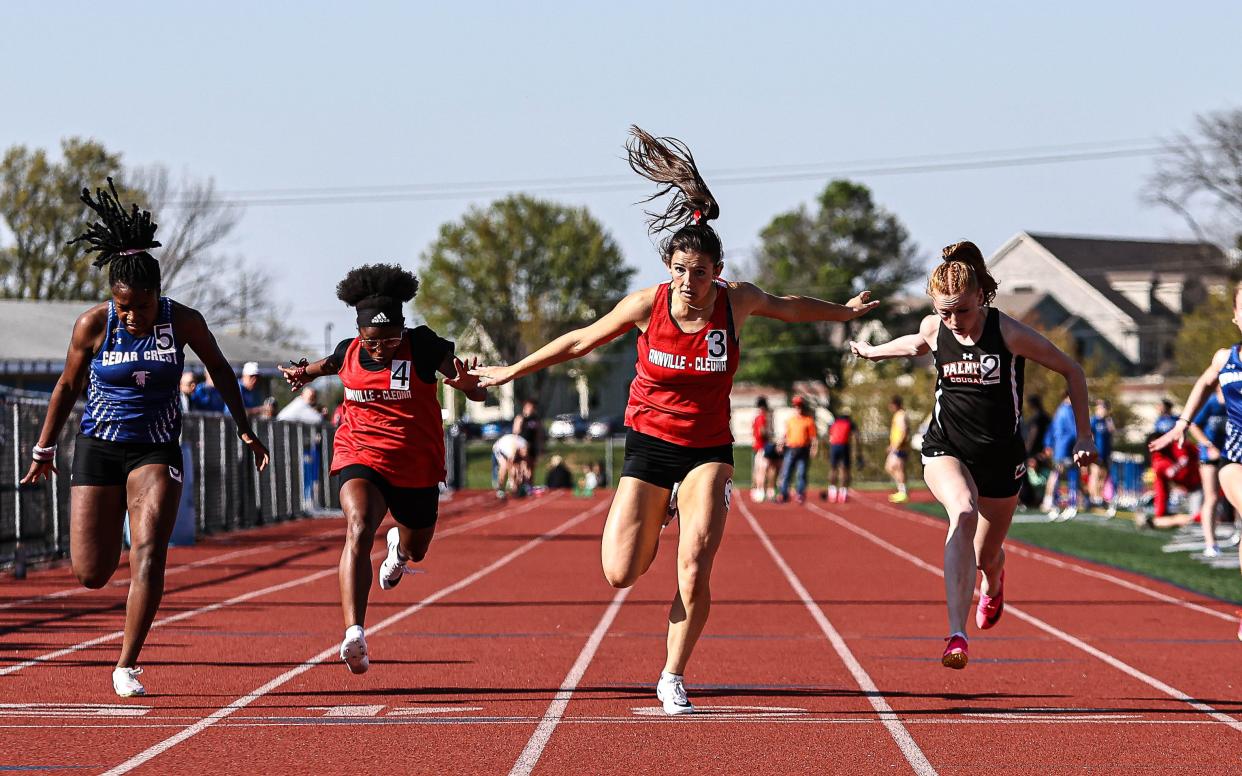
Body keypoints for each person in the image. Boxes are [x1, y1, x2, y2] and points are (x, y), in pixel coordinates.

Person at [473, 126, 878, 714]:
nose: (690, 282)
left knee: (695, 563)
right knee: (619, 573)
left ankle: (671, 673)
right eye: (681, 270)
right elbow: (582, 340)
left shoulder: (736, 301)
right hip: (648, 446)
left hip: (708, 450)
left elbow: (792, 309)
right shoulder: (647, 305)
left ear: (718, 271)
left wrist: (844, 311)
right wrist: (511, 371)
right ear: (670, 267)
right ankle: (659, 510)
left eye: (701, 271)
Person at [20, 179, 270, 697]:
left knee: (150, 549)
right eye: (124, 306)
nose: (133, 316)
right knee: (91, 573)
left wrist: (244, 428)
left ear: (159, 294)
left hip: (156, 447)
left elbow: (222, 371)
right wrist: (44, 447)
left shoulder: (183, 321)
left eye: (142, 305)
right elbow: (67, 386)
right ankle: (109, 534)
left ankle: (126, 663)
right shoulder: (94, 324)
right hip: (98, 444)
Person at [850, 240, 1095, 669]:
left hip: (1002, 458)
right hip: (947, 447)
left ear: (980, 296)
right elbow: (915, 343)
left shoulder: (1009, 333)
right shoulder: (936, 327)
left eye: (962, 310)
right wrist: (872, 351)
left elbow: (1072, 371)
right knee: (961, 511)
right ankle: (955, 633)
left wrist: (1084, 437)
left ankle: (994, 581)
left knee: (986, 555)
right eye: (944, 312)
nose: (954, 321)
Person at [279, 263, 484, 675]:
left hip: (416, 464)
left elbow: (470, 383)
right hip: (360, 453)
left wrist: (467, 387)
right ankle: (354, 631)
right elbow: (325, 366)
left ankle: (400, 552)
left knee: (419, 545)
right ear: (360, 335)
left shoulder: (423, 346)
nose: (381, 348)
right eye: (373, 340)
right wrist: (300, 373)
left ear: (403, 330)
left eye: (391, 339)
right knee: (357, 526)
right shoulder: (349, 351)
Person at [1150, 284, 1242, 640]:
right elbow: (1204, 383)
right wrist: (1182, 425)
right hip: (1235, 457)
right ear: (1235, 316)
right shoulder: (1225, 357)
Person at [1189, 388, 1229, 556]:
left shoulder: (1235, 399)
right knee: (1212, 497)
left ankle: (1237, 532)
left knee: (1235, 496)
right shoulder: (1211, 402)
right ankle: (1211, 543)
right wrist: (1208, 445)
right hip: (1210, 457)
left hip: (1230, 454)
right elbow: (1194, 426)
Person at [1041, 393, 1079, 520]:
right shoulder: (1067, 410)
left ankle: (1054, 504)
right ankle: (1071, 505)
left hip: (1059, 448)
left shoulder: (1058, 410)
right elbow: (1074, 430)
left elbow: (1051, 430)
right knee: (1071, 476)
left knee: (1056, 475)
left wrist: (1048, 444)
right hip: (1066, 448)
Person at [777, 397, 819, 504]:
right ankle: (784, 494)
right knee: (786, 472)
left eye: (800, 406)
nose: (798, 408)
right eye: (796, 406)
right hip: (791, 449)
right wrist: (781, 444)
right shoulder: (790, 421)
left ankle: (800, 493)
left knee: (801, 473)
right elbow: (785, 434)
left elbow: (813, 437)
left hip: (803, 450)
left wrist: (814, 448)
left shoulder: (808, 420)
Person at [1019, 396, 1051, 508]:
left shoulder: (1037, 419)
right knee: (1043, 476)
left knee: (1035, 478)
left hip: (1035, 453)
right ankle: (1037, 499)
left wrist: (1028, 453)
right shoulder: (1046, 417)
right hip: (1044, 452)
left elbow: (1033, 436)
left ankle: (1032, 500)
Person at [1087, 399, 1116, 516]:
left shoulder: (1107, 421)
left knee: (1103, 476)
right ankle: (1094, 498)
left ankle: (1099, 496)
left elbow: (1112, 431)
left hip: (1106, 453)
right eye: (1100, 408)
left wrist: (1109, 419)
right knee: (1095, 474)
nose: (1102, 410)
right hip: (1097, 453)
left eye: (1104, 408)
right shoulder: (1094, 420)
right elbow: (1090, 436)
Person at [826, 407, 854, 503]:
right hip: (844, 446)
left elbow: (829, 436)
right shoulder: (850, 423)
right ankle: (842, 493)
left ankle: (832, 492)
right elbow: (855, 436)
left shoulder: (834, 423)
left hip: (834, 446)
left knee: (833, 469)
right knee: (843, 469)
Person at [886, 396, 911, 503]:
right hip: (895, 446)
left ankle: (903, 492)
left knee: (898, 468)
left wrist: (897, 445)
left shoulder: (901, 415)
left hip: (900, 447)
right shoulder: (897, 415)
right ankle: (901, 489)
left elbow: (904, 431)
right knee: (889, 467)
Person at [750, 397, 774, 502]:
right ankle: (760, 491)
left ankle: (758, 490)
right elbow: (762, 432)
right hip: (762, 446)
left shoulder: (756, 418)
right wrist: (770, 437)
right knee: (762, 470)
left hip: (757, 446)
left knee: (758, 469)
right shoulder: (762, 418)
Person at [492, 432, 531, 498]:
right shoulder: (511, 451)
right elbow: (510, 467)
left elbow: (524, 463)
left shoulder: (525, 445)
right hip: (499, 449)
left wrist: (525, 472)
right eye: (523, 453)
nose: (525, 454)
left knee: (521, 469)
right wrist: (512, 480)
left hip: (511, 446)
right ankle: (500, 489)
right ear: (520, 450)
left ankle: (522, 486)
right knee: (504, 467)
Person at [513, 399, 544, 474]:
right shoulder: (520, 418)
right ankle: (519, 483)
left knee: (531, 468)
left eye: (533, 407)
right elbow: (515, 432)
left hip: (532, 446)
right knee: (521, 467)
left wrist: (540, 448)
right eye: (529, 407)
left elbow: (539, 435)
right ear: (525, 407)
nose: (531, 409)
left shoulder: (536, 419)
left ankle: (529, 485)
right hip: (522, 446)